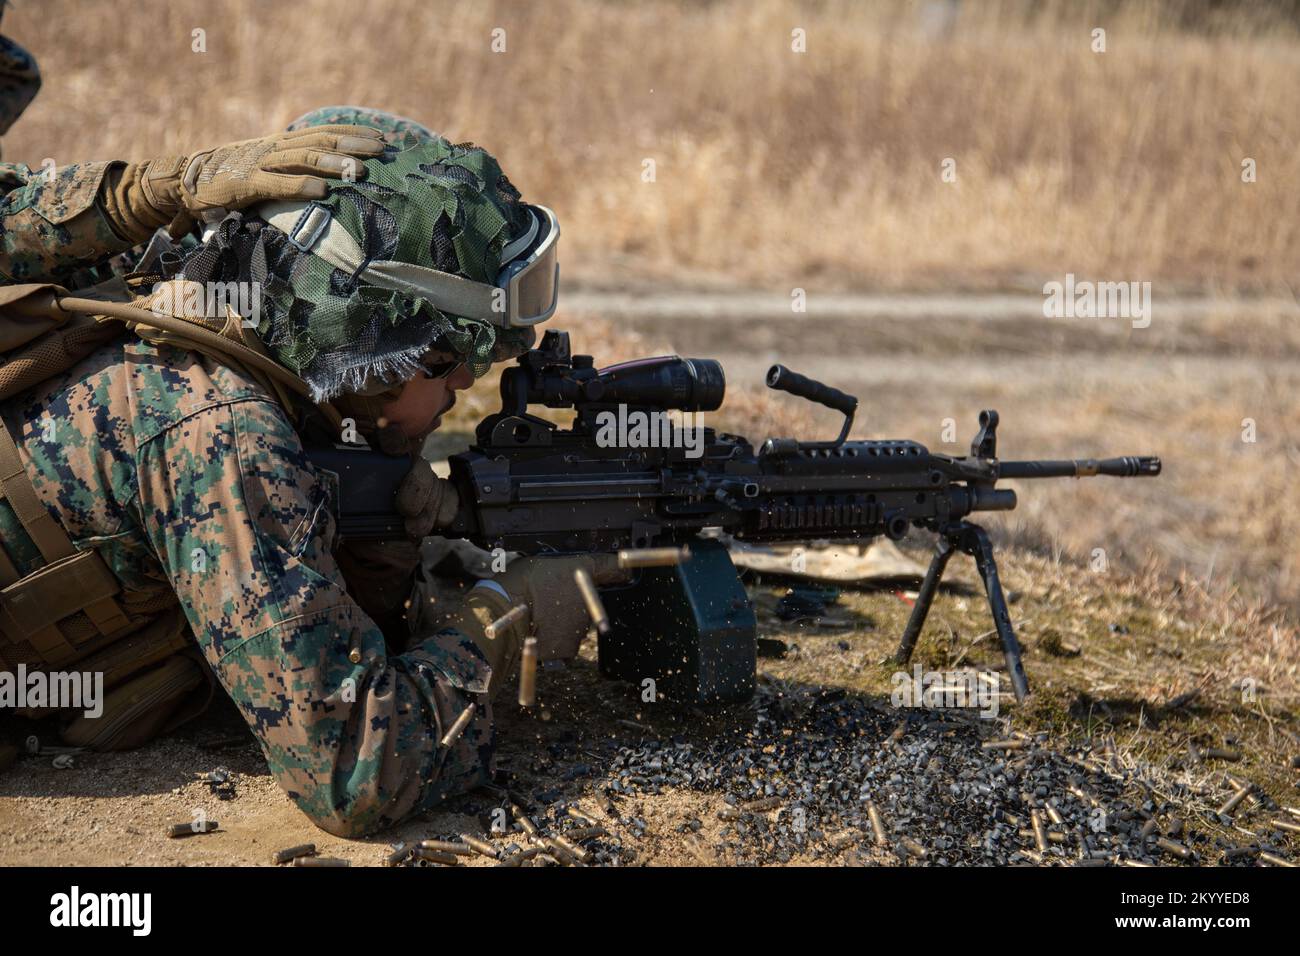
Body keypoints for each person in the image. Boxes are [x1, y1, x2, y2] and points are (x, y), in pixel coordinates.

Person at [0, 96, 624, 835]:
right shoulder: (223, 431)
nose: (463, 388)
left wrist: (381, 540)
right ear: (377, 344)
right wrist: (501, 622)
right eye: (454, 364)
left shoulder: (211, 317)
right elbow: (359, 773)